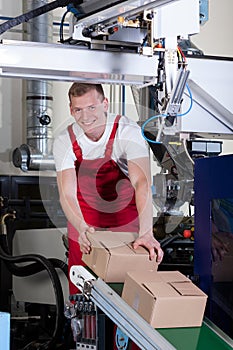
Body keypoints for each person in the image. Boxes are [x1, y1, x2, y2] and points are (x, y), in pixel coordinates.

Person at [53, 82, 164, 294]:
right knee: (83, 288)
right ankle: (82, 327)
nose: (85, 117)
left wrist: (147, 232)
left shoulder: (127, 131)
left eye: (92, 107)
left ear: (105, 104)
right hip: (84, 220)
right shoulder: (64, 140)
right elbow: (67, 193)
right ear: (71, 110)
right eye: (78, 109)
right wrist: (81, 226)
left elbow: (141, 183)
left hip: (124, 218)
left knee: (126, 289)